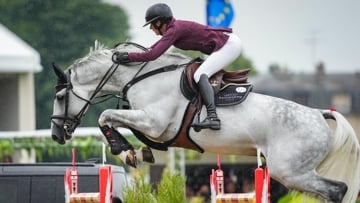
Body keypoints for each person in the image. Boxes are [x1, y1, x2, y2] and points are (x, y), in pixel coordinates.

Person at [112, 3, 242, 130]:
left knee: (199, 75)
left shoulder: (175, 29)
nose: (151, 28)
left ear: (159, 22)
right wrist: (129, 56)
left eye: (151, 24)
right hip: (226, 43)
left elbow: (152, 55)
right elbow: (152, 49)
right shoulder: (173, 28)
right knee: (200, 73)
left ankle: (213, 117)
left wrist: (128, 57)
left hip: (228, 45)